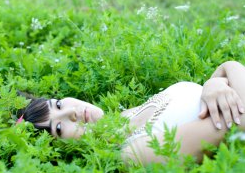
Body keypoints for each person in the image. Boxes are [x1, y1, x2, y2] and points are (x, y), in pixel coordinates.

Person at [17, 61, 245, 164]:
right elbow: (239, 121)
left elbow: (225, 98)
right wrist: (229, 69)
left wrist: (213, 85)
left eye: (58, 105)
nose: (71, 113)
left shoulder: (124, 116)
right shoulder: (133, 153)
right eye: (59, 128)